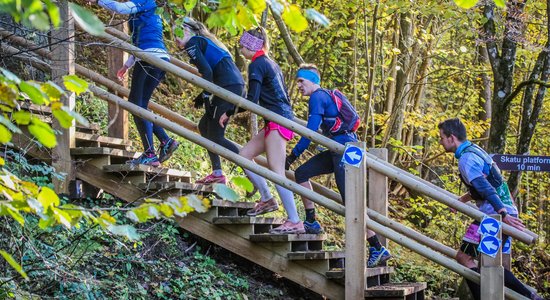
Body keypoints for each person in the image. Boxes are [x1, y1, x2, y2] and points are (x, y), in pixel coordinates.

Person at [285, 64, 391, 267]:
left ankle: (377, 247)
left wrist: (292, 156)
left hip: (347, 151)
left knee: (351, 201)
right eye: (297, 81)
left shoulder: (317, 97)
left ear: (313, 81)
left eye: (301, 81)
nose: (298, 85)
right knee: (302, 174)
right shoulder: (323, 96)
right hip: (342, 149)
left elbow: (311, 133)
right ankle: (311, 221)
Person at [438, 118, 542, 300]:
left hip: (493, 215)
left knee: (465, 258)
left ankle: (527, 296)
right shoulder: (476, 150)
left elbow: (486, 188)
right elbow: (488, 184)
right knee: (491, 264)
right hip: (502, 210)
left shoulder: (466, 159)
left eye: (441, 137)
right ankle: (530, 296)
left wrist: (502, 215)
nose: (440, 141)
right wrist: (463, 199)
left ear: (451, 138)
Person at [218, 27, 304, 234]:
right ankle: (267, 198)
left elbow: (252, 100)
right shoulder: (270, 63)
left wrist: (229, 112)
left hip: (278, 121)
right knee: (244, 155)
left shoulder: (257, 65)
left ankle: (294, 220)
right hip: (276, 120)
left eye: (242, 46)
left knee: (277, 173)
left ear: (251, 47)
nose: (240, 49)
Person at [90, 0, 179, 166]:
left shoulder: (144, 1)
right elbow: (143, 40)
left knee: (135, 105)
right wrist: (127, 65)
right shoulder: (150, 9)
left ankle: (150, 153)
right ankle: (166, 142)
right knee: (140, 105)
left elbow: (120, 8)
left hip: (148, 58)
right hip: (159, 59)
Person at [175, 17, 245, 185]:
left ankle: (250, 168)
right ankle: (217, 172)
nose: (175, 38)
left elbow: (207, 73)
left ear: (187, 31)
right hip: (231, 85)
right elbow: (212, 72)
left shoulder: (193, 42)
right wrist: (204, 95)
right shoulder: (204, 41)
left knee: (216, 136)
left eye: (177, 33)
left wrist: (206, 95)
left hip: (228, 87)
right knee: (204, 127)